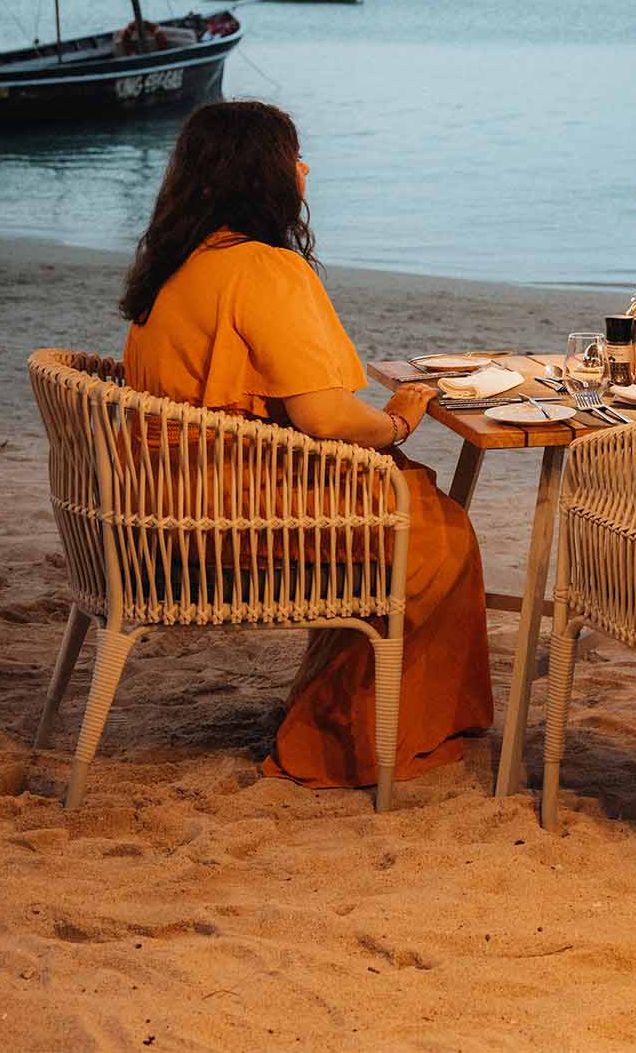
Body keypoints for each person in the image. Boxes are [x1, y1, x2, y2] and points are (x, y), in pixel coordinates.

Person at [119, 99, 493, 789]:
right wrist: (399, 420)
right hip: (225, 508)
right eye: (294, 157)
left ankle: (356, 711)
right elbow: (323, 417)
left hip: (163, 496)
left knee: (412, 505)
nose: (305, 168)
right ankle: (344, 735)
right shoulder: (261, 269)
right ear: (264, 175)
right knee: (434, 532)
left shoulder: (176, 263)